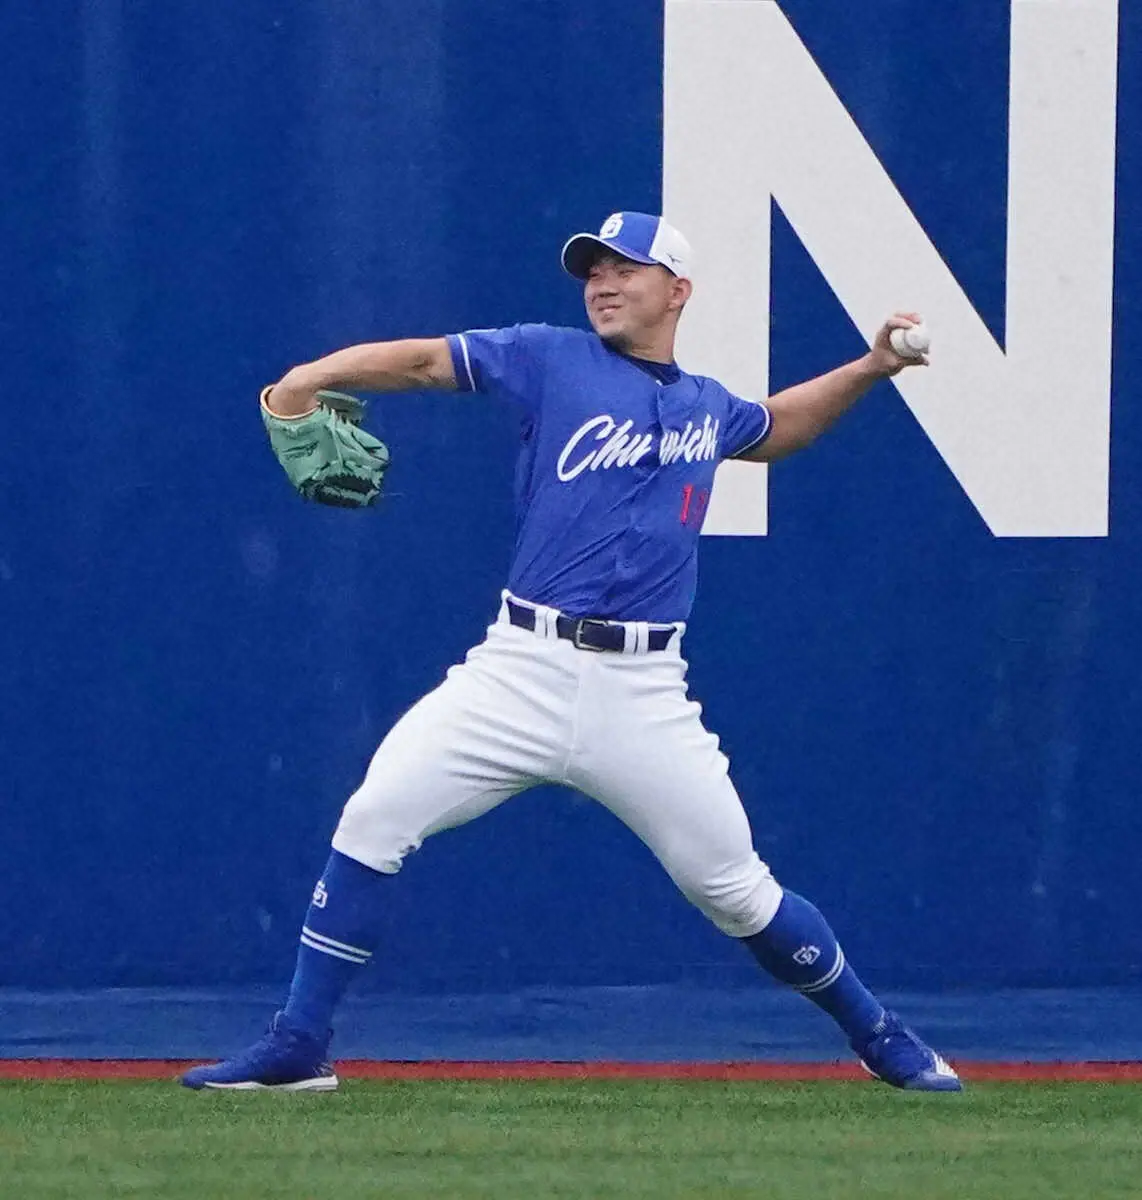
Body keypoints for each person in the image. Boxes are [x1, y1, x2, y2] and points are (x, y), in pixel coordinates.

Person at [182, 211, 960, 1092]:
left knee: (736, 890)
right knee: (372, 820)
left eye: (627, 267)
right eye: (593, 268)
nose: (602, 281)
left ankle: (881, 1033)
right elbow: (426, 361)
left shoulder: (706, 404)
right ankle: (297, 1044)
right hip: (519, 669)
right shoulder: (550, 357)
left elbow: (775, 429)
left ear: (678, 291)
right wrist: (307, 376)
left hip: (645, 691)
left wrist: (870, 366)